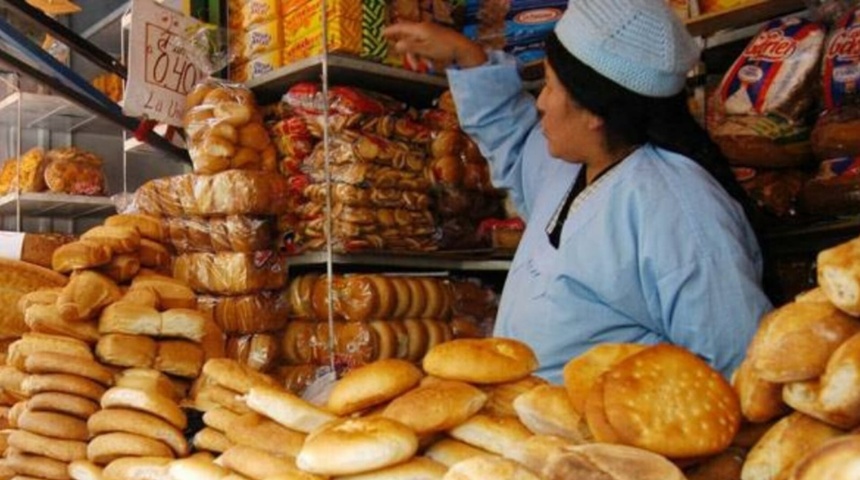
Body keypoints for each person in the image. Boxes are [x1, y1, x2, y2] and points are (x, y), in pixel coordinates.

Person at [384, 0, 773, 384]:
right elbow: (514, 141)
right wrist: (464, 56)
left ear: (595, 112)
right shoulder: (570, 164)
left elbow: (735, 366)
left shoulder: (680, 210)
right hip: (538, 436)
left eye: (550, 87)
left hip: (612, 442)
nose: (540, 102)